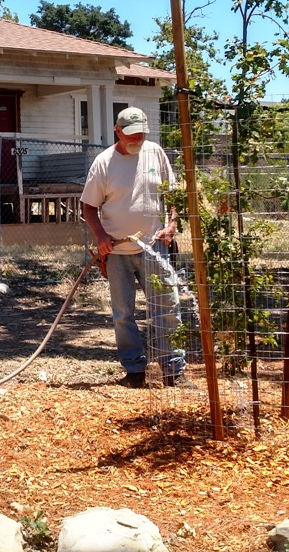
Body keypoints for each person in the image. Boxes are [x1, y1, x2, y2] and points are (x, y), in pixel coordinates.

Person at [81, 106, 189, 389]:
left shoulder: (155, 152)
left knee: (167, 306)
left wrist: (171, 224)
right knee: (123, 312)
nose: (137, 139)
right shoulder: (103, 163)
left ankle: (173, 370)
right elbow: (89, 207)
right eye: (131, 135)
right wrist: (101, 237)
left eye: (142, 134)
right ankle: (134, 370)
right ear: (118, 131)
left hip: (155, 246)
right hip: (116, 252)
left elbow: (173, 194)